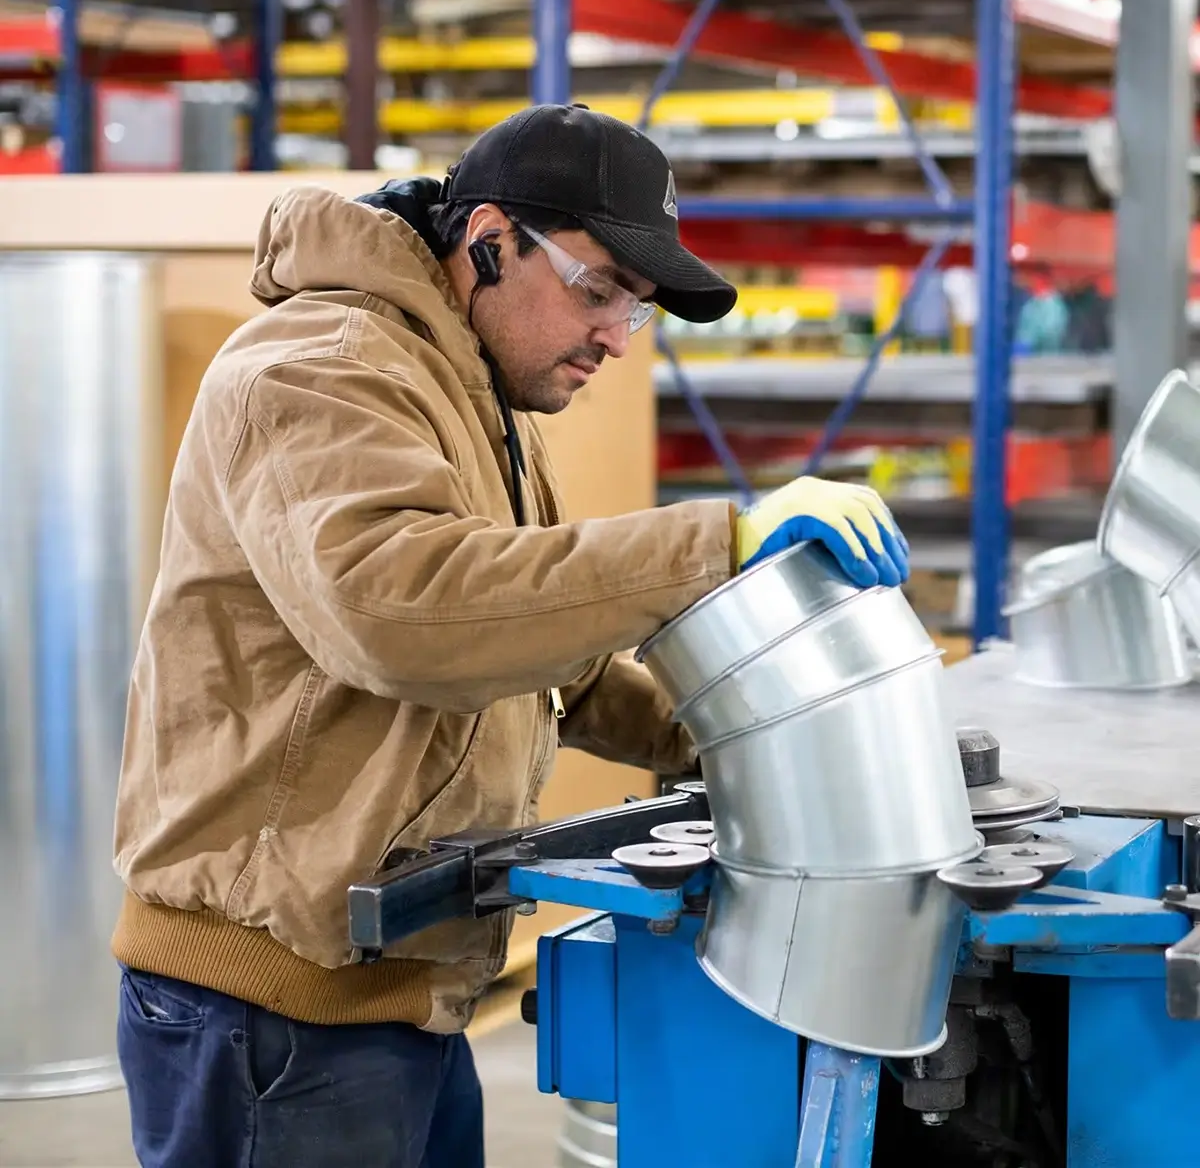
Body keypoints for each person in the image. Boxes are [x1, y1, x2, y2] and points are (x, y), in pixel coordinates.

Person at [110, 103, 909, 1168]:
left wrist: (756, 735)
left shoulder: (471, 393)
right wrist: (715, 544)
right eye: (596, 291)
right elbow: (401, 614)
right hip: (273, 1008)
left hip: (400, 982)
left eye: (637, 312)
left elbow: (542, 659)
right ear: (487, 241)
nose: (614, 341)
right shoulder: (323, 367)